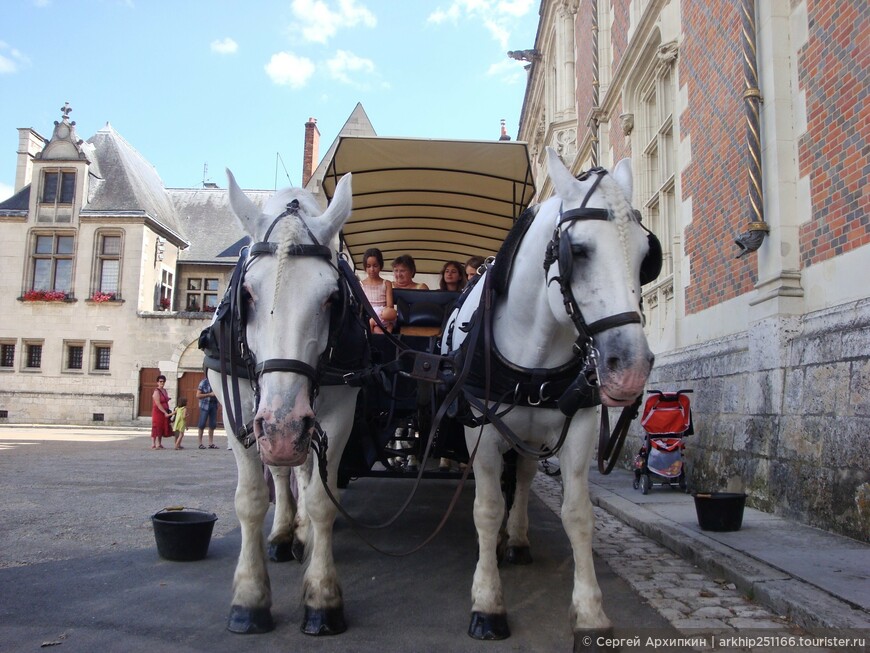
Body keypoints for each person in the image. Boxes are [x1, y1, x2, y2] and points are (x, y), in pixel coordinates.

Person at [360, 247, 397, 333]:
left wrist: (377, 317)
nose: (372, 269)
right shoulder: (361, 284)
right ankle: (387, 330)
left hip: (382, 316)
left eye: (375, 266)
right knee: (377, 330)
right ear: (365, 267)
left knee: (390, 312)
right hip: (367, 315)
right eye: (368, 266)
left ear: (381, 266)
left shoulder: (386, 283)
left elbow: (390, 306)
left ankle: (373, 323)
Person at [196, 375, 219, 449]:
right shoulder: (203, 382)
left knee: (212, 424)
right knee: (202, 424)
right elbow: (198, 395)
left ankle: (210, 443)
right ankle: (200, 443)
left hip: (214, 405)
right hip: (205, 405)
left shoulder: (216, 382)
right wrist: (209, 394)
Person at [150, 374, 172, 449]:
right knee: (156, 426)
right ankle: (153, 443)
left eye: (163, 381)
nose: (162, 383)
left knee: (162, 426)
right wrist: (165, 412)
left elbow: (164, 399)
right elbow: (158, 404)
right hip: (158, 412)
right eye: (160, 381)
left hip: (164, 410)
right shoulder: (156, 391)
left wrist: (168, 399)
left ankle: (159, 443)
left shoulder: (164, 391)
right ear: (157, 382)